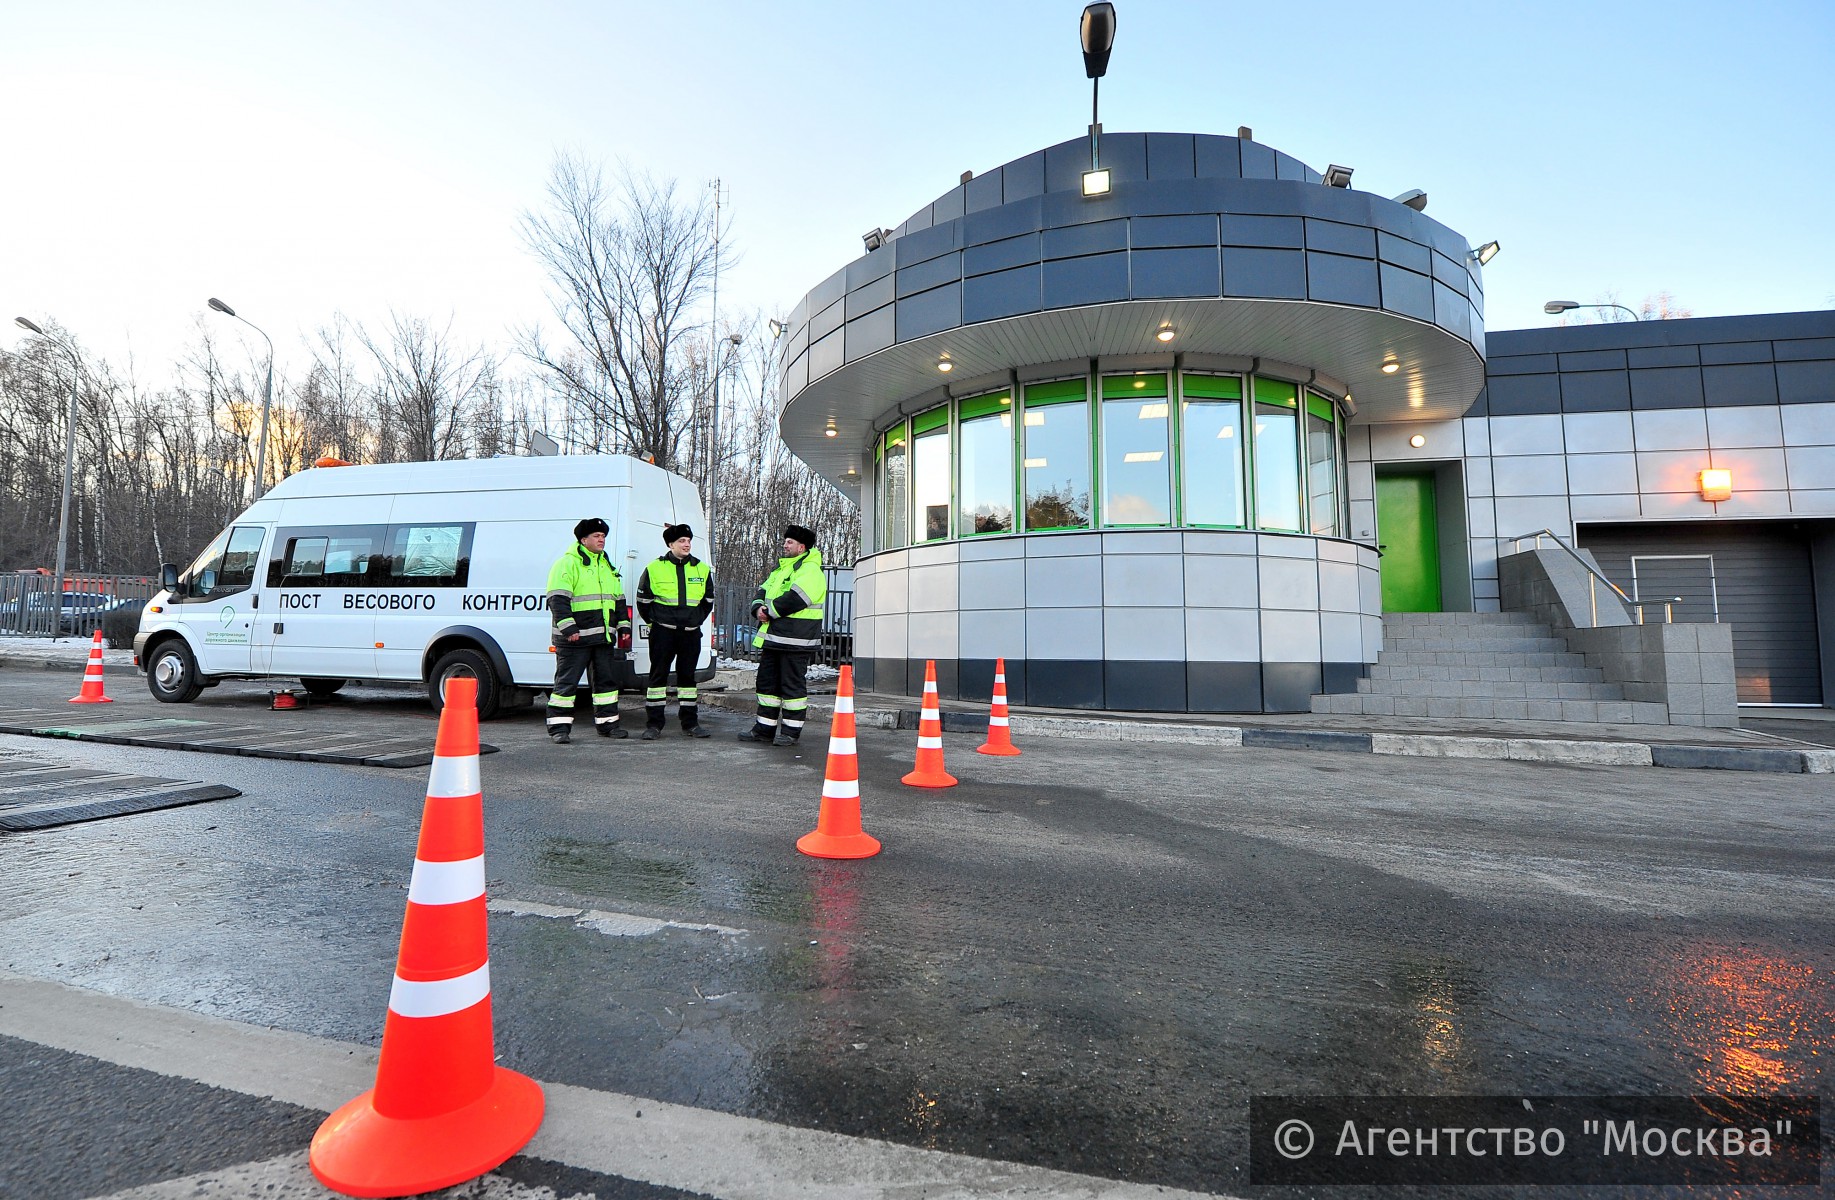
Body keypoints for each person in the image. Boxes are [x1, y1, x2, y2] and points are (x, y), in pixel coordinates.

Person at [544, 517, 632, 744]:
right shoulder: (567, 564)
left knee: (605, 685)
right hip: (575, 638)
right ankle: (559, 729)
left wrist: (623, 627)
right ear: (583, 540)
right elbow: (558, 599)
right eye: (596, 536)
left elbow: (618, 600)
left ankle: (608, 725)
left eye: (603, 536)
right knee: (567, 683)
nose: (601, 539)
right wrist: (568, 628)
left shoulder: (606, 565)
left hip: (602, 638)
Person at [738, 523, 826, 746]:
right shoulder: (781, 570)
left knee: (792, 689)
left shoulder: (810, 570)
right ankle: (763, 730)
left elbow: (797, 598)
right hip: (774, 640)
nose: (785, 545)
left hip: (796, 642)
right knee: (767, 686)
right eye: (785, 541)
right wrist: (757, 608)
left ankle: (790, 733)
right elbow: (762, 591)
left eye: (790, 542)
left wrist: (768, 612)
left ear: (802, 547)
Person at [635, 522, 713, 740]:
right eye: (681, 541)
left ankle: (690, 724)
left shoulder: (701, 568)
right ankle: (654, 725)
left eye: (689, 541)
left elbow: (708, 601)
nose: (686, 544)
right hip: (663, 633)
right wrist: (656, 623)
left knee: (688, 679)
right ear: (671, 544)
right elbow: (643, 601)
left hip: (690, 633)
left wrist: (695, 620)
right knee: (657, 677)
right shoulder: (654, 568)